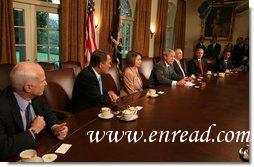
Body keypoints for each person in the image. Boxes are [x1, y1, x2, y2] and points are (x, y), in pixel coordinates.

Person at [0, 62, 68, 160]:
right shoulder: (2, 106)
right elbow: (3, 148)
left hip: (39, 149)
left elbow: (48, 114)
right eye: (42, 81)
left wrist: (56, 127)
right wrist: (33, 131)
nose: (46, 83)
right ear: (28, 88)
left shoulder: (35, 95)